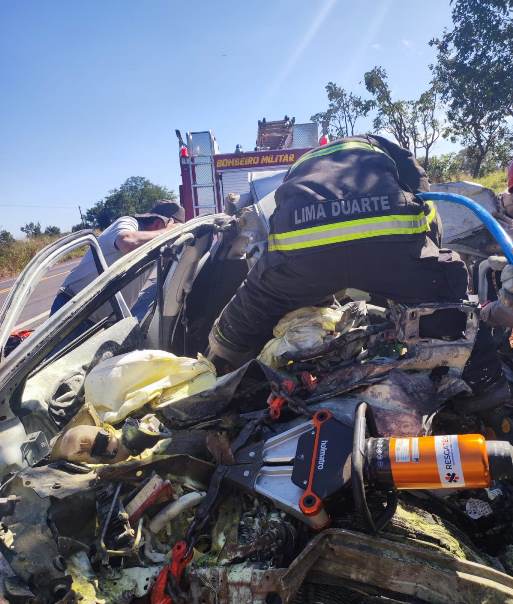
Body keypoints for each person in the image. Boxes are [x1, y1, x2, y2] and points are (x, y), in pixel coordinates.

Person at [208, 135, 469, 371]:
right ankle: (481, 384)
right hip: (387, 245)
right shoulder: (387, 151)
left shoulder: (303, 166)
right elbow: (427, 207)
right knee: (449, 297)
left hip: (301, 250)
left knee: (247, 312)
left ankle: (215, 368)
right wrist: (427, 263)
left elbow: (279, 219)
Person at [50, 200, 185, 332]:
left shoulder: (155, 242)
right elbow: (127, 242)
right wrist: (168, 233)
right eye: (175, 233)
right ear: (158, 223)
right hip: (74, 315)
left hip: (104, 323)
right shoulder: (128, 223)